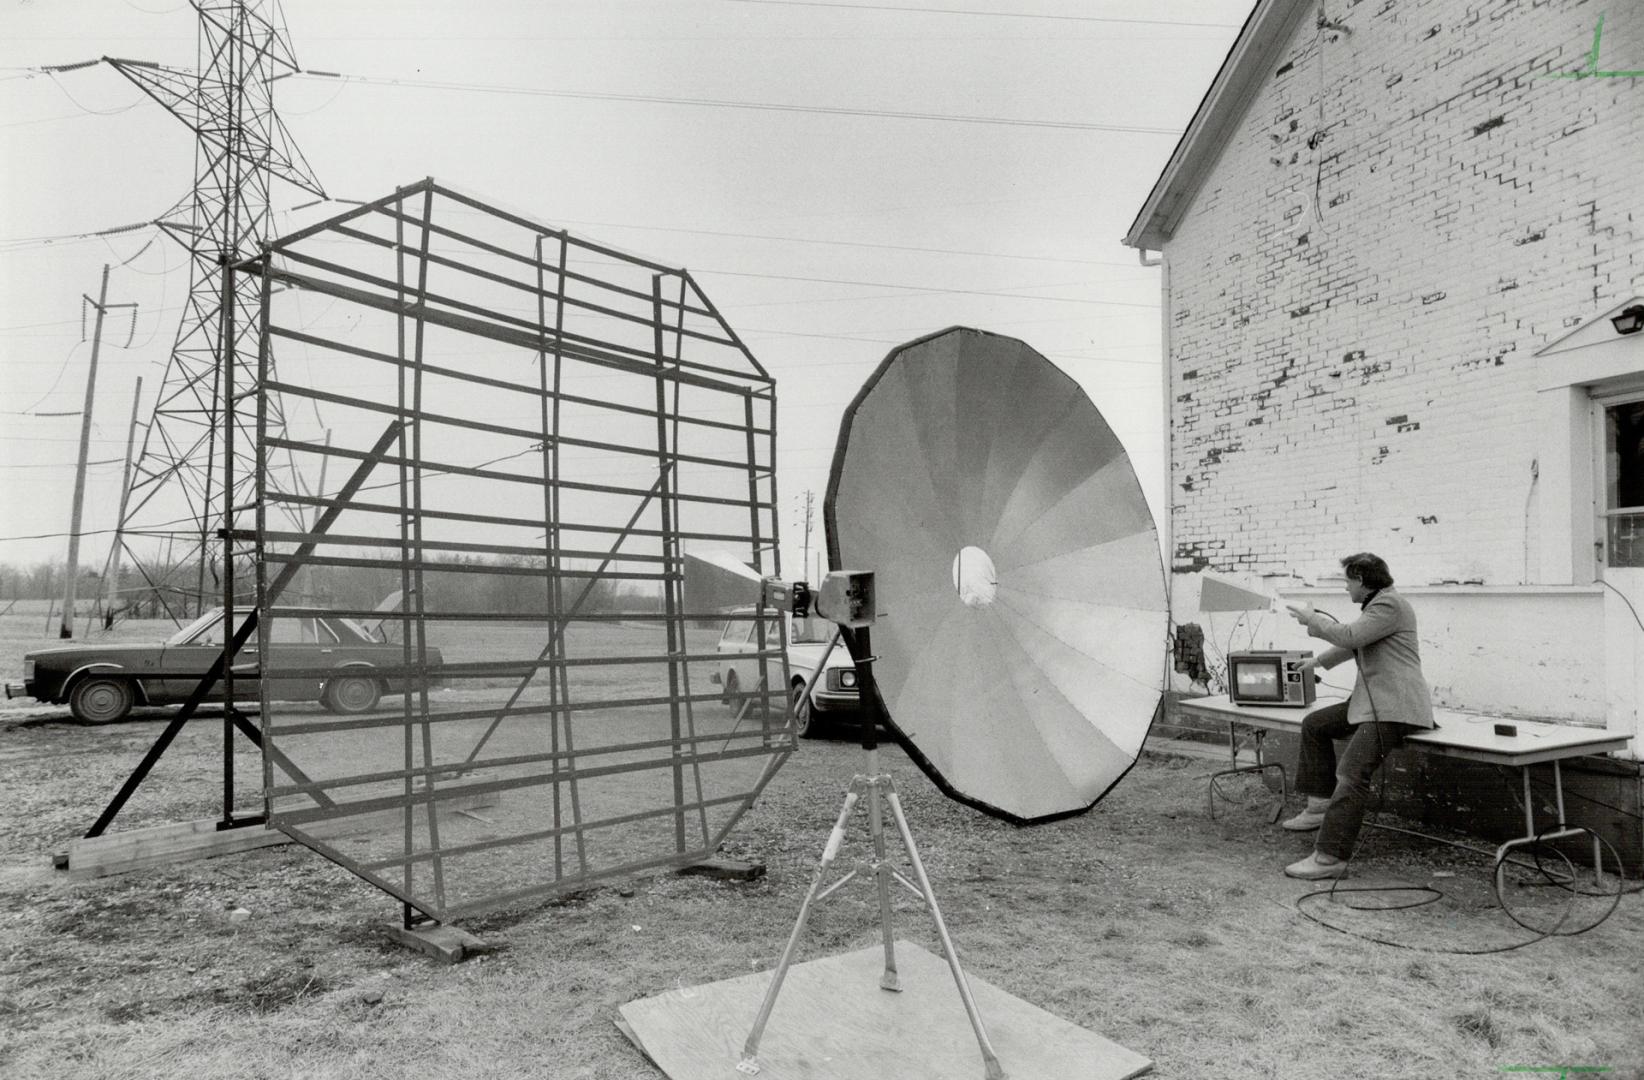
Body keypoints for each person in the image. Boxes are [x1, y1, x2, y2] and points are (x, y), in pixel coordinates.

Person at [1279, 552, 1435, 880]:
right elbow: (1356, 643)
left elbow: (1351, 636)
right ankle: (1319, 806)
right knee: (1316, 725)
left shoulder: (1389, 605)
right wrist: (1318, 663)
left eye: (1348, 581)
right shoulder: (1379, 607)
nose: (1346, 588)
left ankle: (1329, 858)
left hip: (1394, 707)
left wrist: (1312, 619)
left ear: (1362, 581)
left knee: (1351, 772)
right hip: (1373, 703)